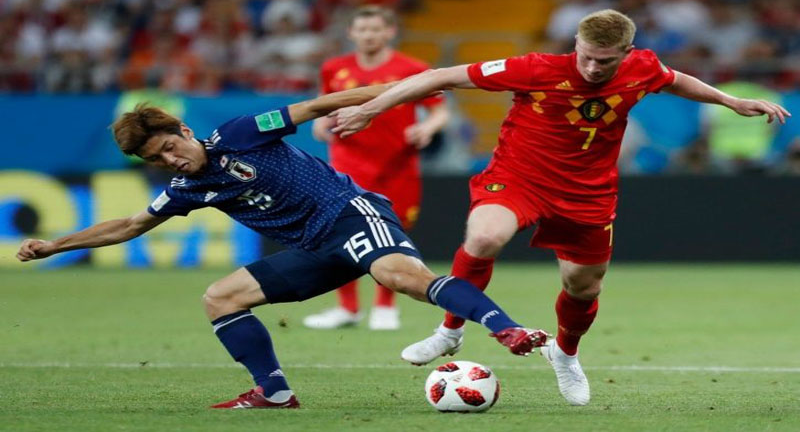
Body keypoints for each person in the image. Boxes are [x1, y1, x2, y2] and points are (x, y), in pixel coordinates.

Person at [331, 9, 790, 407]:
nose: (592, 67)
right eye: (586, 55)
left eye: (605, 60)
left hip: (587, 193)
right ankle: (450, 329)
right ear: (576, 43)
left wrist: (731, 100)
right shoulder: (535, 68)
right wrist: (373, 108)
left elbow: (674, 80)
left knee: (583, 287)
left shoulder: (643, 68)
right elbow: (439, 77)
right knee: (485, 236)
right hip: (519, 176)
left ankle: (566, 355)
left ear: (627, 53)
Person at [15, 83, 548, 409]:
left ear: (182, 129)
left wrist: (393, 96)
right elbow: (130, 225)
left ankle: (508, 329)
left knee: (399, 277)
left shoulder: (240, 133)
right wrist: (55, 246)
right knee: (220, 297)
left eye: (171, 147)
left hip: (348, 214)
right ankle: (273, 392)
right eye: (159, 160)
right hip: (314, 250)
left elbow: (317, 106)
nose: (172, 161)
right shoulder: (187, 189)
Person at [303, 5, 449, 331]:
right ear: (352, 33)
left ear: (389, 32)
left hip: (397, 165)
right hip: (347, 164)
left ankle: (385, 306)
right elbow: (322, 106)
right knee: (342, 232)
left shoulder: (412, 68)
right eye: (363, 29)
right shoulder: (334, 68)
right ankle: (348, 307)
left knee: (393, 233)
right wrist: (319, 125)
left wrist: (428, 128)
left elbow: (439, 110)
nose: (369, 35)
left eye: (375, 29)